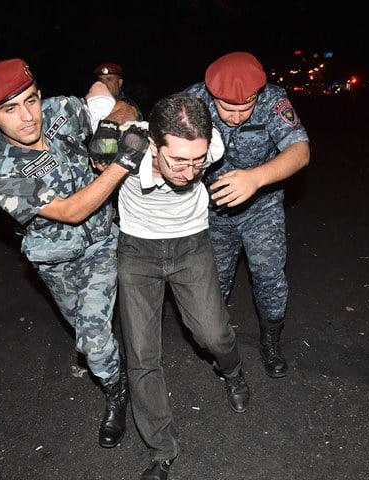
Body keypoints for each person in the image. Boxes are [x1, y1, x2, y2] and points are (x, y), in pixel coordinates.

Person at [0, 58, 146, 450]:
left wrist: (108, 128)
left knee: (94, 337)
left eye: (31, 100)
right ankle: (107, 362)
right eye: (11, 110)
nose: (28, 117)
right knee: (83, 328)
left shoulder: (61, 110)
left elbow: (121, 104)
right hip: (56, 258)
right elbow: (70, 211)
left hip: (103, 240)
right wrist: (122, 162)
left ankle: (117, 393)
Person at [89, 92, 250, 480]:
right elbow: (100, 96)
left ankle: (233, 372)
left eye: (198, 161)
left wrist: (193, 160)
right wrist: (112, 119)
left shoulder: (210, 146)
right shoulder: (127, 150)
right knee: (142, 355)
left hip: (191, 243)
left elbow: (198, 157)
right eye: (178, 160)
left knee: (213, 334)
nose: (190, 172)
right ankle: (162, 450)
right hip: (137, 251)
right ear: (152, 144)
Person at [184, 51, 310, 378]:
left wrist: (255, 178)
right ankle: (220, 346)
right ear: (212, 95)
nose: (237, 116)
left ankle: (270, 341)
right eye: (227, 108)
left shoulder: (272, 101)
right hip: (212, 209)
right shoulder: (191, 101)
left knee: (269, 274)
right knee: (214, 283)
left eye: (245, 108)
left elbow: (300, 151)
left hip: (261, 204)